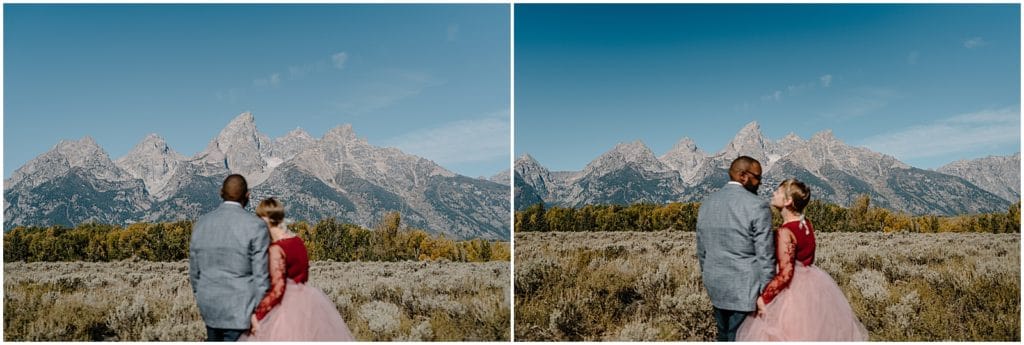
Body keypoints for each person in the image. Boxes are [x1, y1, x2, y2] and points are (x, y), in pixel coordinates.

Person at [736, 179, 869, 341]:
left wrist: (764, 298)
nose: (773, 193)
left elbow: (786, 273)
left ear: (788, 201)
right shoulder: (805, 224)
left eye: (777, 192)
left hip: (792, 293)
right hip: (813, 288)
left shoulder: (785, 231)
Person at [240, 198, 354, 341]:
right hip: (307, 306)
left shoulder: (277, 249)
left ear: (265, 220)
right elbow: (304, 274)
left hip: (285, 311)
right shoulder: (298, 241)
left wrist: (258, 315)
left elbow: (277, 290)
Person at [696, 156, 775, 341]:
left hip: (715, 285)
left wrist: (707, 276)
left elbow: (702, 250)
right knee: (741, 337)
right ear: (743, 176)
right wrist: (768, 294)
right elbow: (765, 256)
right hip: (747, 290)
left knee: (723, 336)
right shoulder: (758, 206)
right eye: (757, 177)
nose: (760, 182)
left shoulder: (707, 203)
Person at [189, 174, 270, 341]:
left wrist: (202, 297)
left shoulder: (202, 224)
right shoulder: (256, 227)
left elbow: (194, 273)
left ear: (221, 193)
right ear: (247, 195)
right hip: (242, 311)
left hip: (209, 307)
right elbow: (261, 277)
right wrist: (258, 312)